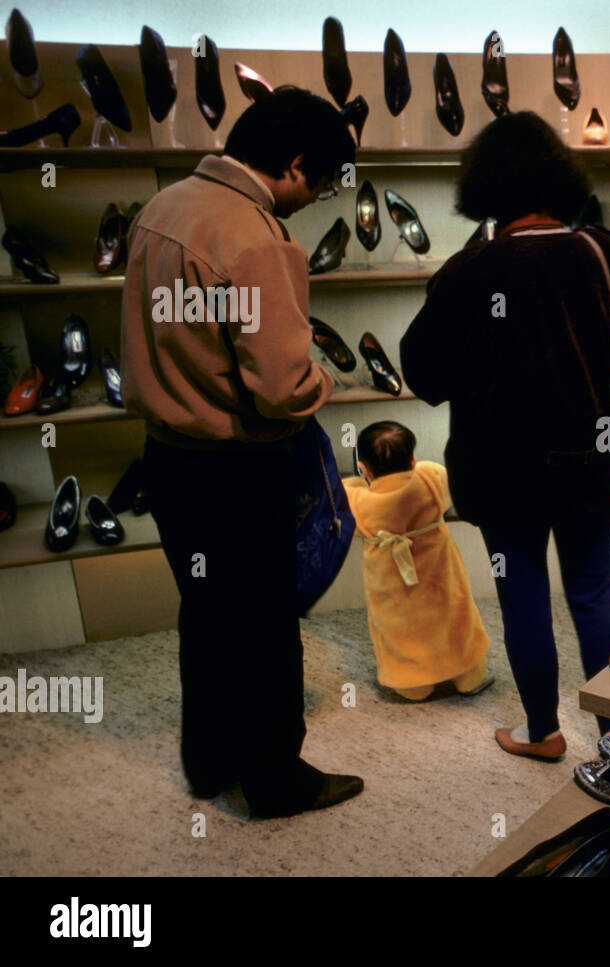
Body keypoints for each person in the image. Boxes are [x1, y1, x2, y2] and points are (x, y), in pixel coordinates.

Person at [120, 87, 363, 818]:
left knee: (205, 611)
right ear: (293, 165)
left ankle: (208, 757)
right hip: (237, 466)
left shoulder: (162, 209)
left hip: (166, 457)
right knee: (262, 622)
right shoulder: (257, 238)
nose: (312, 200)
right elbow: (282, 387)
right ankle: (274, 780)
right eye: (318, 185)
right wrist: (325, 377)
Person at [400, 112, 610, 761]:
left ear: (485, 188)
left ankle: (543, 731)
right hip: (589, 461)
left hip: (500, 470)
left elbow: (422, 371)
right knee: (594, 593)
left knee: (524, 594)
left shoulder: (466, 271)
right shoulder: (602, 251)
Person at [343, 420, 494, 701]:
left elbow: (340, 495)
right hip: (440, 578)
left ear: (364, 468)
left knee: (399, 627)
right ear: (412, 460)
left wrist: (356, 481)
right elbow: (435, 470)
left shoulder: (359, 502)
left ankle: (412, 685)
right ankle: (468, 676)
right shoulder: (429, 479)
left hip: (392, 589)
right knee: (455, 616)